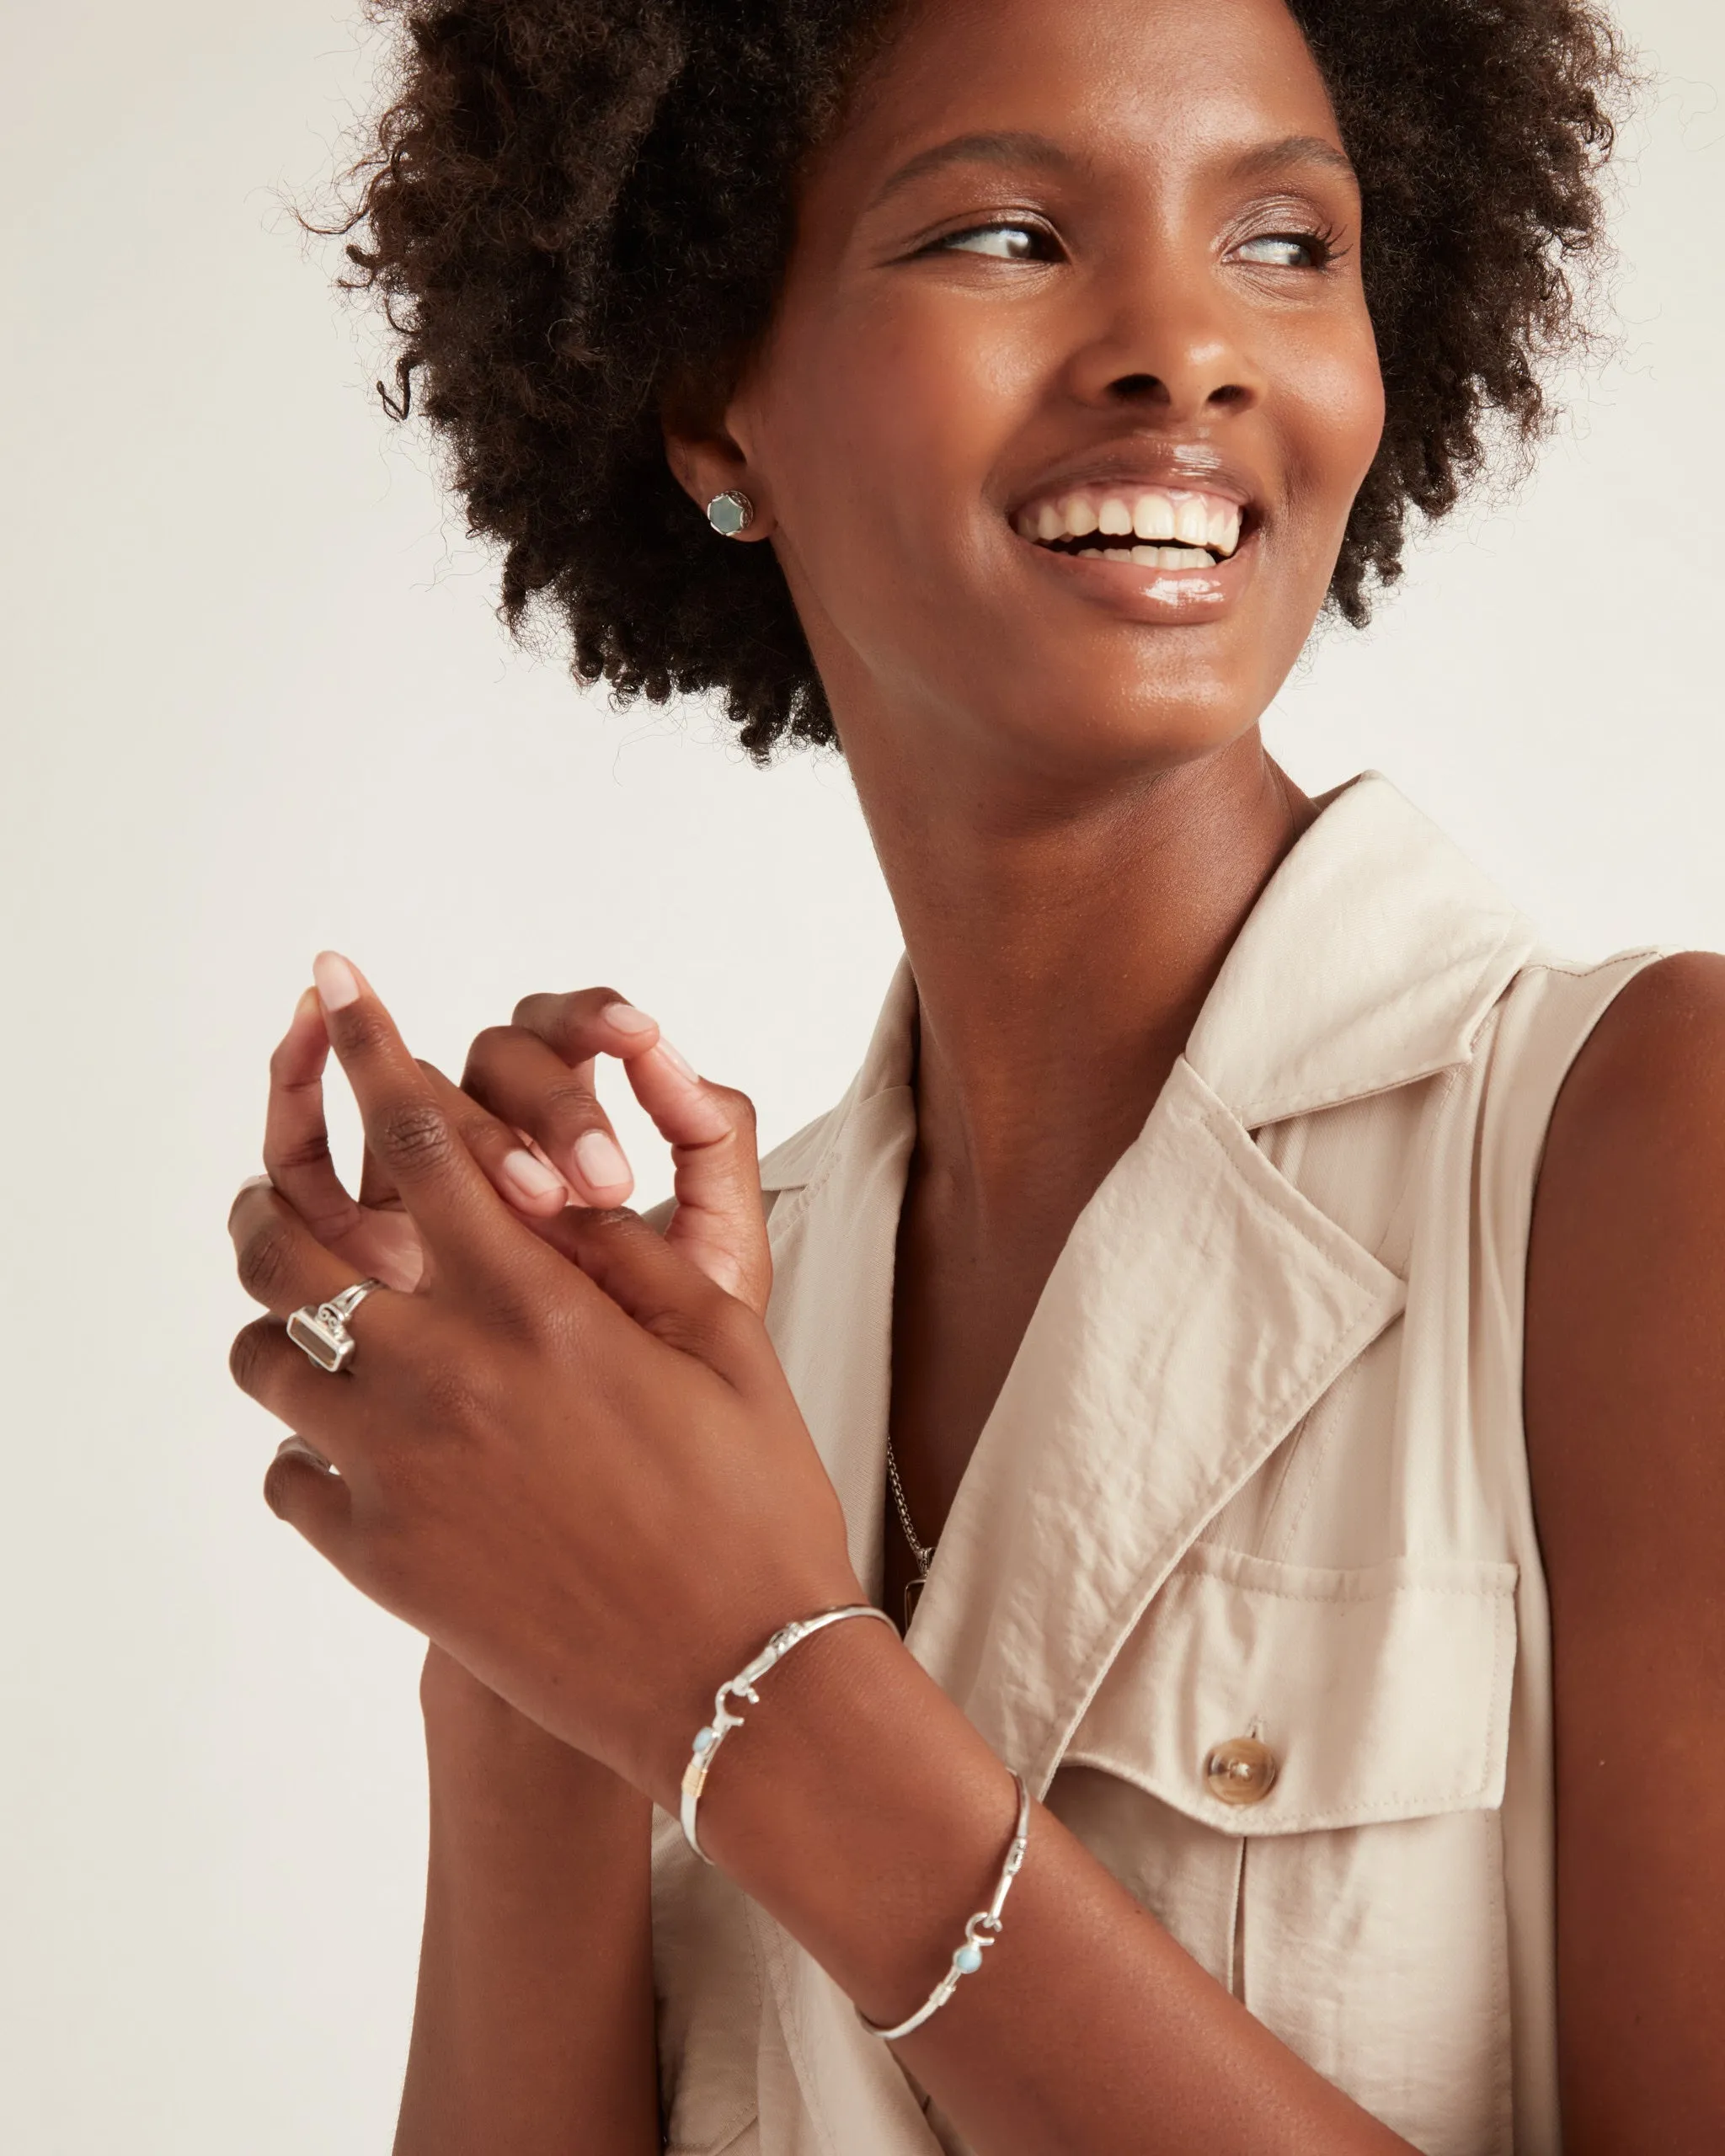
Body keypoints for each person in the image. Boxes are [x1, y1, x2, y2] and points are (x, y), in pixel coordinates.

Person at [227, 0, 1725, 2148]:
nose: (1185, 347)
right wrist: (520, 1653)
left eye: (1288, 244)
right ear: (709, 392)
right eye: (1008, 232)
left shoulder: (1635, 1150)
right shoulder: (708, 1319)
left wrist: (750, 1681)